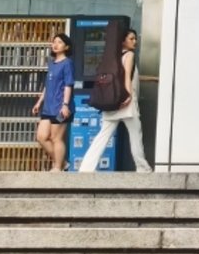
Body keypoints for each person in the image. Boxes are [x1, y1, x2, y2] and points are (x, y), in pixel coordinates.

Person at [78, 25, 148, 174]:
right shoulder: (129, 55)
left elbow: (128, 75)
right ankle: (142, 167)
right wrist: (128, 96)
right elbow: (127, 76)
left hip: (112, 102)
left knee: (103, 135)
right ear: (122, 41)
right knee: (136, 135)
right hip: (126, 103)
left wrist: (150, 79)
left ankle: (86, 167)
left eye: (135, 39)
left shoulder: (112, 57)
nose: (134, 41)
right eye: (131, 39)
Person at [31, 33, 74, 173]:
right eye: (54, 42)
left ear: (66, 46)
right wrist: (39, 102)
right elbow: (47, 85)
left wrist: (65, 105)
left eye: (60, 42)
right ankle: (63, 163)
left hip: (60, 107)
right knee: (41, 137)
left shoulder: (67, 63)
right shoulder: (51, 63)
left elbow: (68, 85)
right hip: (48, 107)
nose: (55, 44)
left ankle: (57, 166)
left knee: (56, 138)